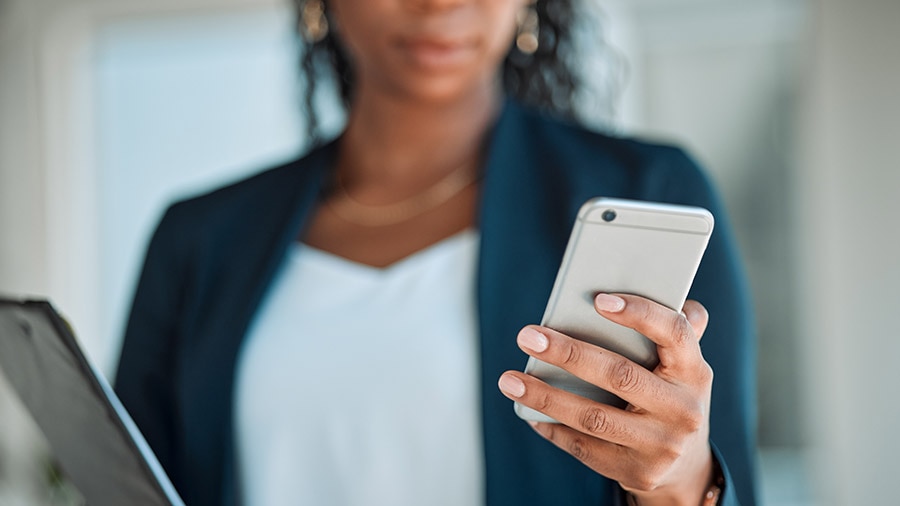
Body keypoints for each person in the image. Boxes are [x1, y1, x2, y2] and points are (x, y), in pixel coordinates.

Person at [114, 0, 757, 505]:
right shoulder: (197, 238)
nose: (440, 2)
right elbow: (128, 481)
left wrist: (678, 484)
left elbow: (728, 481)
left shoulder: (650, 191)